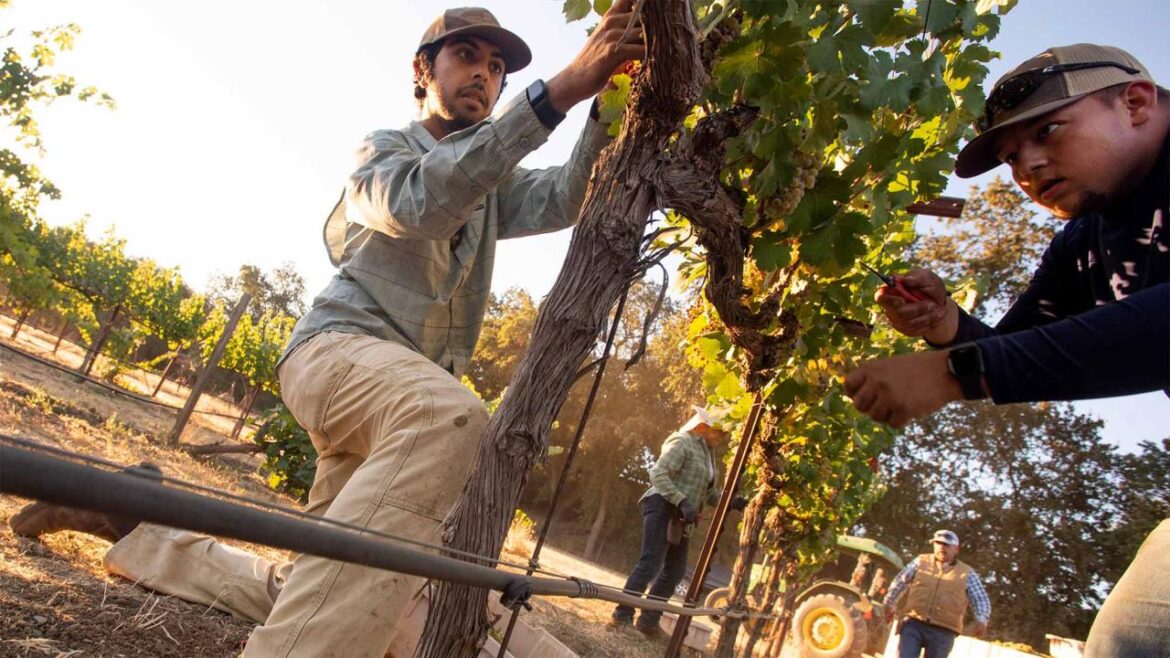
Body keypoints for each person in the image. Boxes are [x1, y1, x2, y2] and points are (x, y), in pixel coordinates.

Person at [10, 5, 642, 657]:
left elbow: (565, 198)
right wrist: (561, 89)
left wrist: (608, 100)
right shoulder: (383, 153)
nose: (484, 73)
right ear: (423, 70)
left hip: (392, 409)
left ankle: (138, 526)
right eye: (468, 56)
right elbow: (425, 202)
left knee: (328, 580)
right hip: (336, 358)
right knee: (448, 421)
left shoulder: (491, 184)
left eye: (497, 67)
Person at [846, 44, 1169, 657]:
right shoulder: (1083, 239)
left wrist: (954, 371)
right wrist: (947, 326)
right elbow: (1020, 355)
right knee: (1130, 644)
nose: (1028, 168)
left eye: (1047, 131)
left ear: (1135, 102)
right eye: (1010, 157)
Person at [611, 406, 744, 637]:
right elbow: (658, 474)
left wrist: (732, 502)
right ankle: (621, 615)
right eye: (720, 432)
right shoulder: (682, 441)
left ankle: (649, 621)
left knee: (675, 571)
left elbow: (709, 494)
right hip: (662, 506)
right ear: (703, 427)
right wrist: (682, 501)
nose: (723, 437)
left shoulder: (709, 455)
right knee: (651, 562)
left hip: (682, 517)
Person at [883, 530, 990, 658]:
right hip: (914, 623)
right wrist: (889, 604)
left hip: (944, 631)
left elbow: (980, 599)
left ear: (956, 549)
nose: (941, 547)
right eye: (938, 543)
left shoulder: (967, 573)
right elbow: (900, 582)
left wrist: (981, 619)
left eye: (946, 545)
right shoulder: (921, 561)